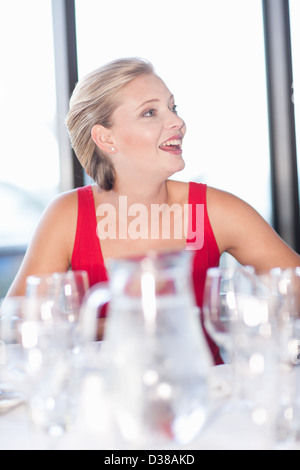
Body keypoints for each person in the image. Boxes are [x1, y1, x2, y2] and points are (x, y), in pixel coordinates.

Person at [7, 58, 300, 364]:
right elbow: (17, 323)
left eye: (173, 108)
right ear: (106, 138)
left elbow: (294, 289)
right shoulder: (66, 216)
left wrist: (251, 318)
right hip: (105, 402)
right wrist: (114, 325)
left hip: (205, 398)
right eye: (150, 112)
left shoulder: (216, 210)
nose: (177, 123)